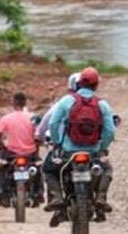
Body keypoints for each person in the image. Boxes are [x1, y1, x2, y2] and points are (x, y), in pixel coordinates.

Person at [35, 66, 117, 225]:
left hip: (68, 151)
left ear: (78, 83)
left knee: (48, 168)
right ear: (96, 84)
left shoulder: (67, 101)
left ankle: (57, 197)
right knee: (106, 168)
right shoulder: (102, 105)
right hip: (92, 152)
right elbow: (110, 131)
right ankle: (100, 197)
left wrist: (58, 142)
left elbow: (53, 123)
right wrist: (101, 147)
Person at [0, 91, 42, 206]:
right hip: (30, 154)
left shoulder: (6, 118)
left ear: (13, 102)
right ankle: (38, 193)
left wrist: (3, 147)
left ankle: (1, 192)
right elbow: (40, 136)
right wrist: (36, 147)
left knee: (3, 170)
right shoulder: (33, 118)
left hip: (12, 154)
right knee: (38, 171)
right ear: (25, 103)